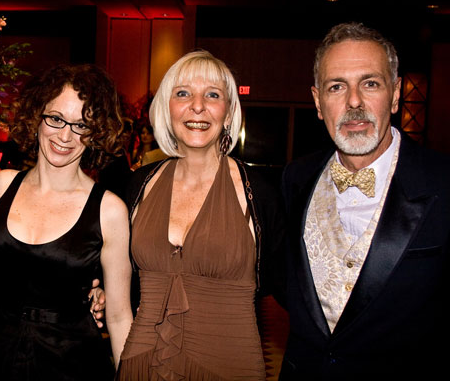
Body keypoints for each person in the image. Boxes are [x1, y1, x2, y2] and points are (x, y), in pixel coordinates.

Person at [279, 22, 450, 380]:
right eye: (336, 86)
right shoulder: (294, 179)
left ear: (396, 94)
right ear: (318, 102)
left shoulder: (443, 183)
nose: (354, 101)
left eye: (370, 83)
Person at [118, 50, 284, 380]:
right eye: (183, 93)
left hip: (229, 366)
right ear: (167, 108)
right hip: (141, 363)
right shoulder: (138, 185)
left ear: (229, 111)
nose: (197, 106)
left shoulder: (260, 192)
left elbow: (289, 284)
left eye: (212, 95)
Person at [0, 64, 132, 380]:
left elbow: (118, 316)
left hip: (73, 367)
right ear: (37, 117)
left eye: (80, 125)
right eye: (56, 119)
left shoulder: (109, 210)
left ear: (95, 132)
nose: (65, 135)